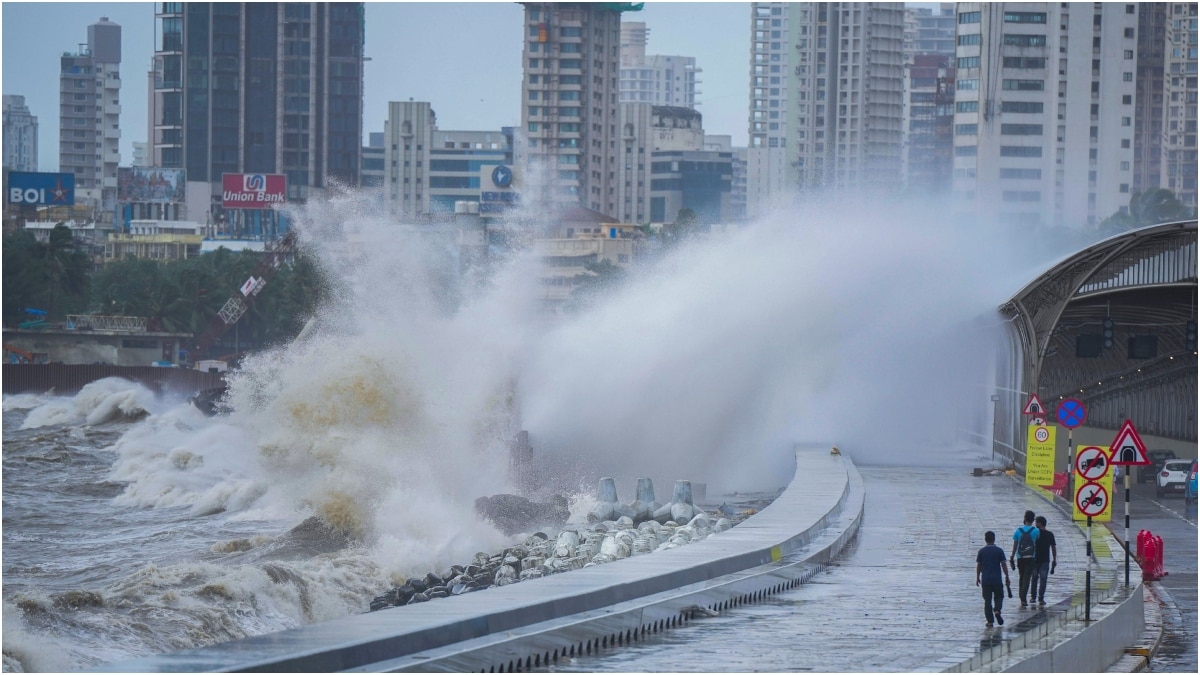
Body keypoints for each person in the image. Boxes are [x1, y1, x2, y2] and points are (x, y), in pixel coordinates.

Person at [976, 530, 1010, 627]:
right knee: (999, 596)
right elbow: (1003, 564)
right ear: (994, 539)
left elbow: (979, 565)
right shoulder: (999, 551)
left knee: (987, 600)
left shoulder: (981, 551)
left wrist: (977, 577)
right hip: (997, 579)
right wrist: (1007, 576)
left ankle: (990, 621)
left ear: (985, 539)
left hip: (986, 580)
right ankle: (997, 610)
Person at [1010, 510, 1040, 608]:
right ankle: (1023, 597)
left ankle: (1022, 597)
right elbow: (1037, 542)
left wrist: (1012, 556)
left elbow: (1015, 545)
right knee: (1027, 578)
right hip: (1031, 557)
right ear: (1033, 520)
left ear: (1025, 518)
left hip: (1020, 557)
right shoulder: (1036, 531)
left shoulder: (1018, 531)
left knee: (1021, 577)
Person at [1029, 515, 1058, 606]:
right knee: (1043, 579)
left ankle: (1033, 597)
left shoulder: (1034, 533)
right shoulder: (1050, 534)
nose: (1035, 524)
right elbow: (1053, 547)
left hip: (1034, 559)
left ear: (1039, 523)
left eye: (1036, 522)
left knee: (1034, 578)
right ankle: (1041, 598)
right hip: (1045, 560)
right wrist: (1054, 559)